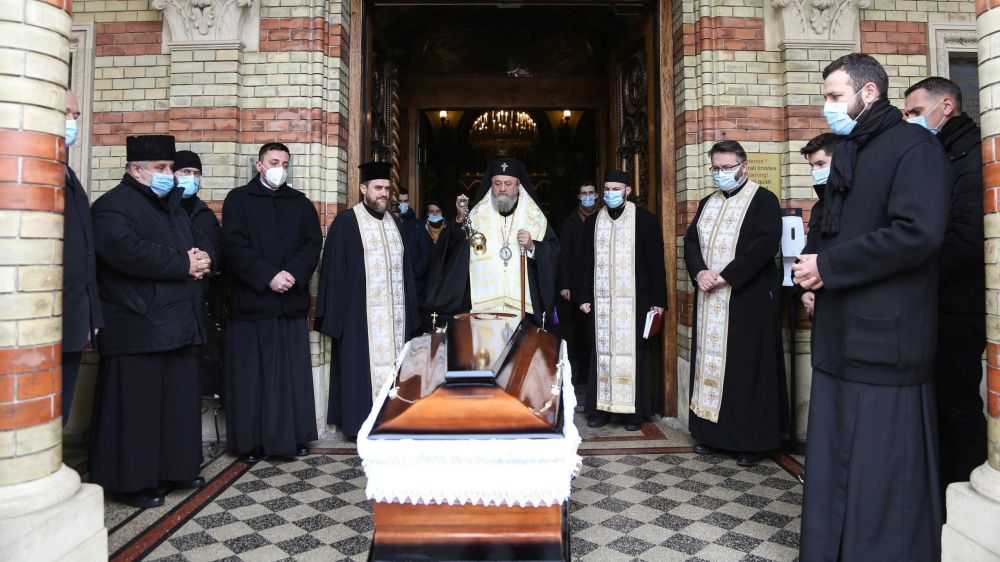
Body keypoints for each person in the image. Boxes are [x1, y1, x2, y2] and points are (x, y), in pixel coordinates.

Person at [793, 53, 950, 562]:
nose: (827, 108)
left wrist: (830, 268)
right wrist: (816, 273)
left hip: (887, 342)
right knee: (835, 462)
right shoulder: (849, 150)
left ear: (869, 93)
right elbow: (838, 227)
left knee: (882, 471)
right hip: (840, 339)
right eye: (825, 97)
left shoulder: (915, 147)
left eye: (835, 97)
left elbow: (917, 233)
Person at [90, 135, 209, 508]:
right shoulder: (112, 206)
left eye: (170, 169)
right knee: (137, 412)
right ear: (135, 169)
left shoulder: (170, 206)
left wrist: (199, 258)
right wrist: (183, 263)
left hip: (175, 324)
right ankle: (132, 482)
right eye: (161, 169)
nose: (168, 175)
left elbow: (184, 247)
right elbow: (126, 252)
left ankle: (175, 468)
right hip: (137, 325)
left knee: (174, 405)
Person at [903, 76, 987, 490]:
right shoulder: (941, 151)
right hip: (935, 299)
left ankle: (963, 487)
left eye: (916, 112)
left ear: (947, 106)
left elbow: (967, 237)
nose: (910, 120)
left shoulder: (973, 156)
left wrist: (916, 270)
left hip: (959, 302)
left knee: (958, 402)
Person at [683, 140, 786, 466]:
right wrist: (699, 272)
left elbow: (764, 245)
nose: (720, 174)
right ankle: (711, 436)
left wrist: (726, 276)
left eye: (726, 168)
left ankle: (750, 442)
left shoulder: (763, 200)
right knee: (711, 365)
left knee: (746, 370)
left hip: (746, 301)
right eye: (715, 168)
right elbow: (691, 242)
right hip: (710, 298)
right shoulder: (706, 203)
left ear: (744, 166)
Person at [222, 143, 322, 461]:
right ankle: (251, 443)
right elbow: (234, 246)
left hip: (289, 303)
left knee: (291, 378)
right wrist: (268, 276)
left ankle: (293, 437)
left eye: (285, 163)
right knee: (253, 379)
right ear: (259, 165)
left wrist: (292, 273)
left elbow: (311, 244)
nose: (280, 167)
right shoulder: (238, 200)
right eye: (274, 161)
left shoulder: (301, 203)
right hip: (253, 304)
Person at [315, 161, 419, 440]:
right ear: (363, 189)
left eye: (387, 188)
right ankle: (360, 425)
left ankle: (394, 419)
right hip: (359, 321)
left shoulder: (396, 224)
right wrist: (335, 320)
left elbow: (407, 272)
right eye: (378, 188)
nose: (383, 193)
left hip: (394, 321)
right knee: (358, 373)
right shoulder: (347, 223)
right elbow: (333, 274)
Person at [577, 172, 666, 431]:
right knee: (602, 354)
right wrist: (583, 296)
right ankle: (600, 410)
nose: (610, 193)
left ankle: (633, 414)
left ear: (627, 190)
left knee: (633, 354)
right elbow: (584, 263)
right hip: (601, 302)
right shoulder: (594, 222)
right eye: (606, 189)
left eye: (616, 189)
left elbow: (656, 263)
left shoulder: (645, 221)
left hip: (636, 302)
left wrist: (658, 301)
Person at [424, 158, 560, 327]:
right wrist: (460, 218)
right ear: (491, 185)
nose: (502, 189)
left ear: (518, 186)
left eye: (508, 184)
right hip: (482, 310)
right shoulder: (476, 216)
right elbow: (452, 250)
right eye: (497, 183)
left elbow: (554, 253)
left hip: (522, 310)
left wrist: (533, 247)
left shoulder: (535, 219)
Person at [61, 91, 102, 425]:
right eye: (65, 113)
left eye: (75, 115)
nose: (71, 122)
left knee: (56, 411)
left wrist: (90, 317)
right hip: (41, 322)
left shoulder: (69, 176)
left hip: (71, 320)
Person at [173, 150, 224, 399]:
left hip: (200, 301)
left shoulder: (203, 213)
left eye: (196, 173)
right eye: (185, 172)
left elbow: (216, 246)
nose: (191, 178)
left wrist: (209, 259)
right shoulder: (166, 208)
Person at [558, 182, 600, 387]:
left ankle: (591, 375)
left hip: (596, 282)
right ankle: (576, 377)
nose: (588, 196)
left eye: (591, 193)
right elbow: (563, 255)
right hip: (574, 285)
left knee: (592, 332)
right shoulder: (570, 222)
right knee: (575, 333)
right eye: (584, 193)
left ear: (597, 195)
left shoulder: (603, 218)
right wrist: (565, 285)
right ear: (578, 196)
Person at [798, 133, 842, 318]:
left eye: (821, 164)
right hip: (819, 297)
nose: (815, 171)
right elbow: (812, 249)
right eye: (812, 166)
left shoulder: (860, 201)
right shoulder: (819, 207)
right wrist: (805, 290)